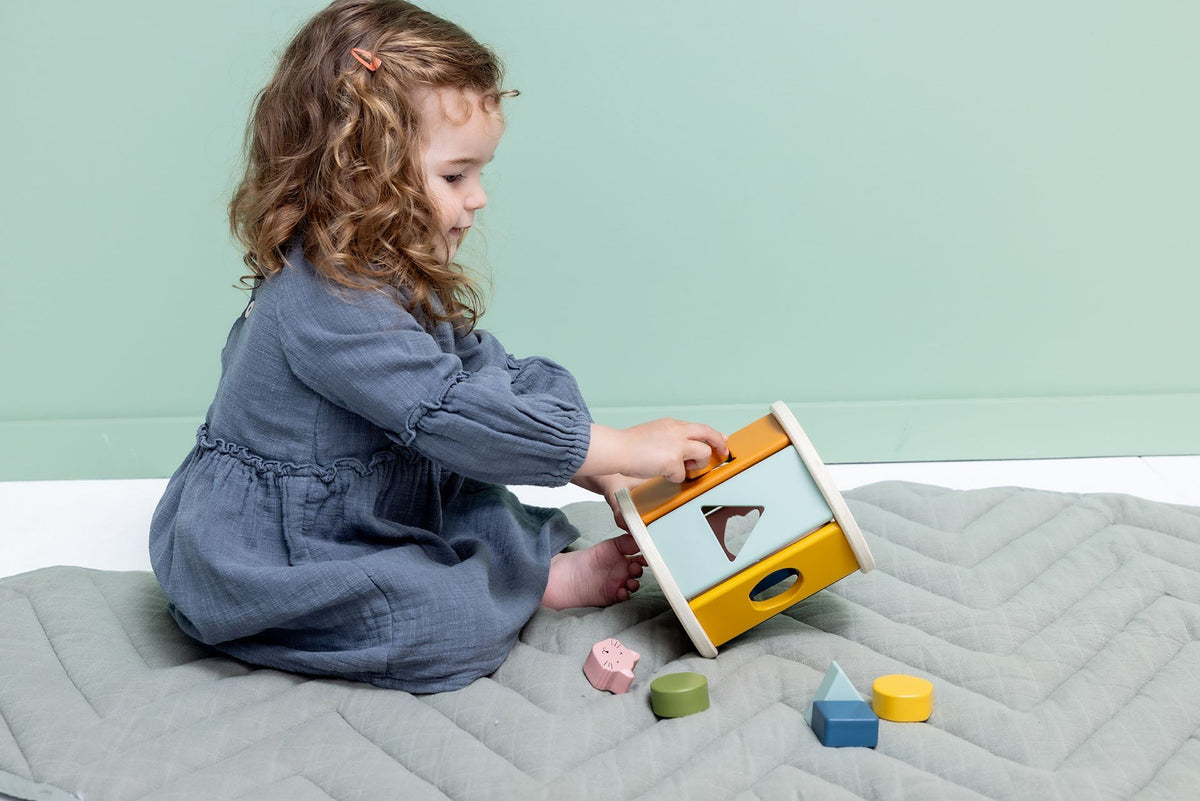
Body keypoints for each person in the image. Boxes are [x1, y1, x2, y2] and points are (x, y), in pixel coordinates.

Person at [149, 0, 727, 694]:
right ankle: (533, 583)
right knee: (443, 623)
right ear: (363, 174)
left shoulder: (386, 272)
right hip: (282, 547)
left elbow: (479, 371)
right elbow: (451, 412)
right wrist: (622, 447)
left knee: (485, 498)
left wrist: (597, 465)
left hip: (368, 492)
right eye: (456, 176)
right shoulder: (322, 304)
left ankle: (521, 566)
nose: (477, 198)